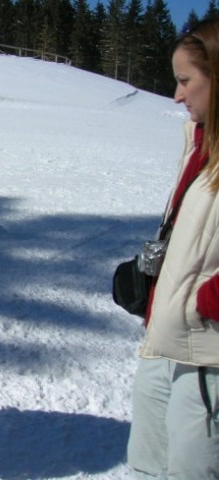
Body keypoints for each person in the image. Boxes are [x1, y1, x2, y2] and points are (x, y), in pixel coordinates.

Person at [126, 19, 219, 480]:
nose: (177, 96)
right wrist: (154, 274)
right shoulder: (200, 143)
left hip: (208, 350)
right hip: (166, 336)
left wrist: (201, 302)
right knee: (147, 463)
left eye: (185, 81)